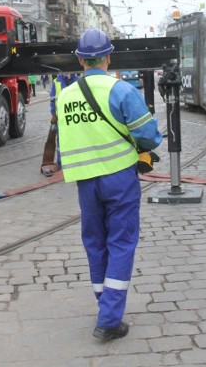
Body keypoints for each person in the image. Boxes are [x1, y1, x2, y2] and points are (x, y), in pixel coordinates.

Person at [56, 28, 162, 341]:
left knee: (95, 242)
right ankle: (109, 319)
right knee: (122, 242)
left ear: (79, 59)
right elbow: (148, 135)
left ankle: (105, 304)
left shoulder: (65, 96)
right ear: (108, 57)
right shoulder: (121, 90)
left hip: (85, 183)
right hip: (118, 176)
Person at [41, 70, 79, 176]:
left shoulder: (78, 81)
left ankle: (75, 163)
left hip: (75, 116)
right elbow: (53, 100)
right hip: (61, 118)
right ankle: (61, 164)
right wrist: (54, 114)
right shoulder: (56, 81)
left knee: (76, 140)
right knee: (61, 142)